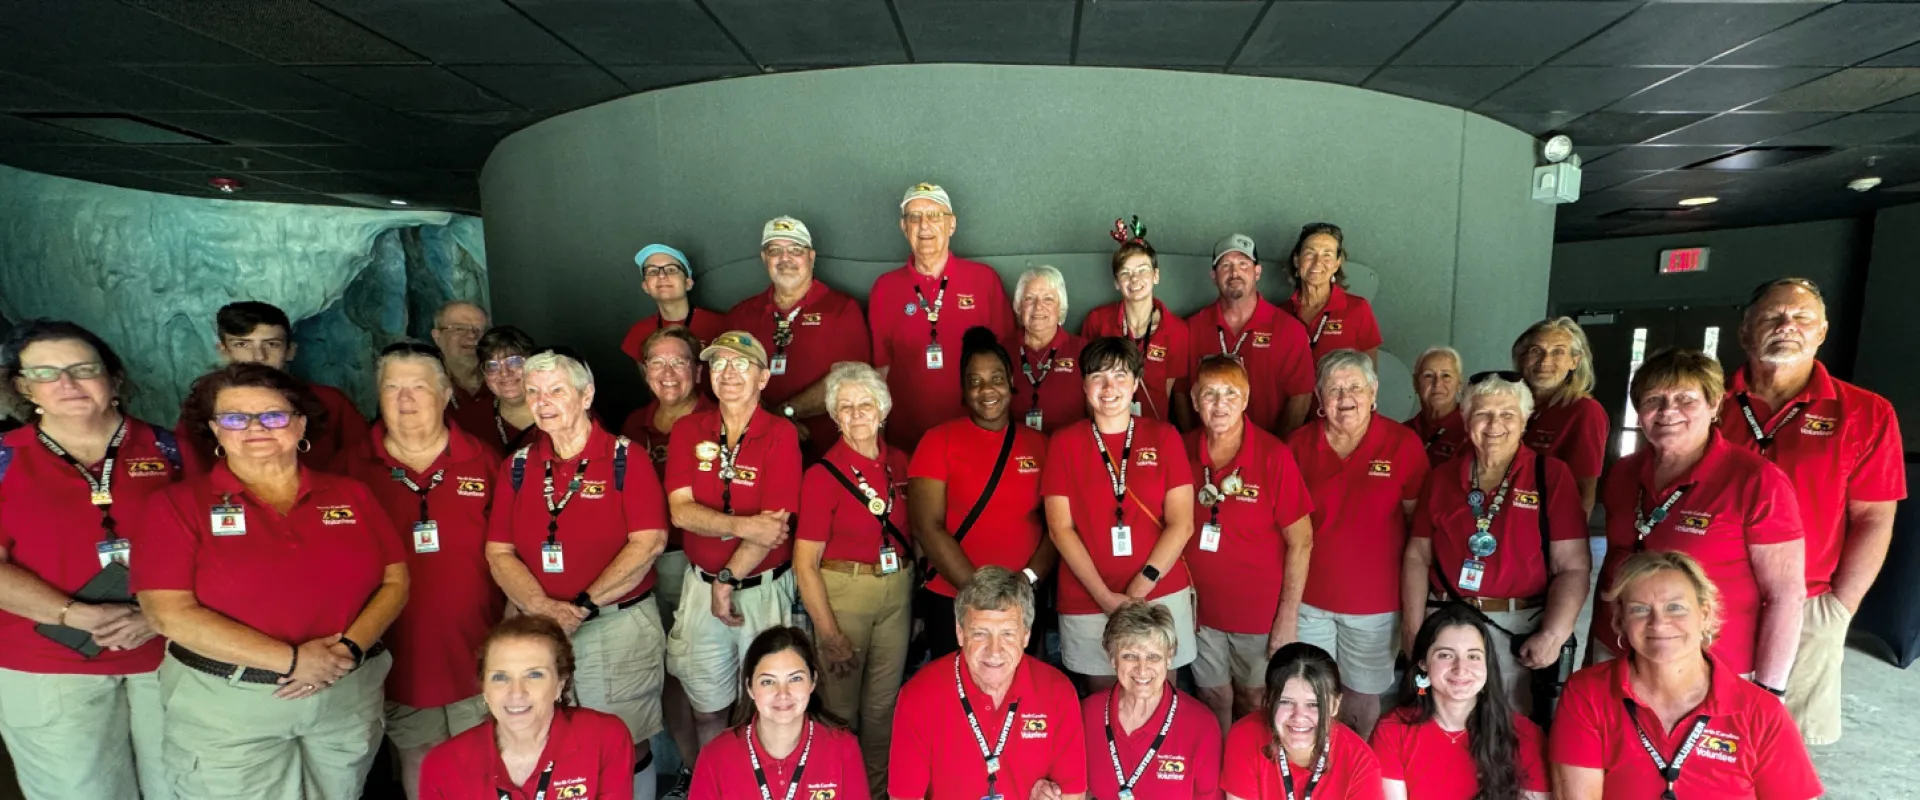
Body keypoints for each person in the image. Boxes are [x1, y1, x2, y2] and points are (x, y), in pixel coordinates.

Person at [131, 363, 408, 800]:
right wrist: (293, 661)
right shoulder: (176, 505)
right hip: (231, 706)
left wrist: (348, 649)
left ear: (299, 426)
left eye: (273, 416)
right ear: (215, 431)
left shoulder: (351, 494)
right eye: (236, 418)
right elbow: (167, 613)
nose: (256, 427)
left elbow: (395, 580)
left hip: (344, 694)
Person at [1720, 277, 1905, 744]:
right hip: (1710, 601)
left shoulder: (1866, 412)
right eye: (1772, 316)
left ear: (1822, 333)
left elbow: (1874, 519)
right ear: (1745, 331)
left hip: (1808, 604)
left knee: (1784, 746)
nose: (1788, 326)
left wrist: (1840, 607)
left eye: (1802, 318)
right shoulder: (1706, 401)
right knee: (1703, 736)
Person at [0, 320, 179, 800]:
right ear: (22, 386)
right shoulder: (4, 459)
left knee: (185, 786)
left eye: (83, 368)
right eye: (45, 372)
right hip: (47, 663)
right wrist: (77, 615)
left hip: (168, 652)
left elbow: (220, 550)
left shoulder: (173, 451)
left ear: (114, 378)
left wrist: (156, 616)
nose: (67, 383)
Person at [484, 350, 671, 799]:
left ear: (586, 395)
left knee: (625, 738)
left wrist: (583, 605)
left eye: (555, 391)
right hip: (537, 627)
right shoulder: (520, 465)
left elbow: (649, 543)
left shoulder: (627, 458)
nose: (542, 402)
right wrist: (543, 608)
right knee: (545, 735)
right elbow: (499, 551)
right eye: (533, 392)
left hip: (616, 623)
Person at [335, 342, 505, 798]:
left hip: (478, 643)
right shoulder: (351, 469)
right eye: (392, 388)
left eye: (418, 387)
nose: (405, 400)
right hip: (398, 650)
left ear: (446, 392)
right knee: (420, 756)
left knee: (486, 754)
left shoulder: (485, 460)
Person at [1593, 349, 1805, 693]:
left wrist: (1770, 691)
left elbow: (1785, 596)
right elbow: (1612, 567)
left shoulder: (1757, 480)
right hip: (1619, 650)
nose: (1668, 411)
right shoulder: (1624, 473)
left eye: (1685, 399)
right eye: (1653, 400)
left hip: (1713, 663)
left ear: (1714, 406)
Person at [1550, 551, 1822, 800]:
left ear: (1704, 615)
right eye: (1640, 609)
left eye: (1675, 607)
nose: (1658, 623)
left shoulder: (1760, 712)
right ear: (1620, 621)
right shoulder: (1588, 693)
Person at [1403, 371, 1590, 715]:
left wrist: (1553, 634)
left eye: (1507, 414)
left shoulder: (1551, 476)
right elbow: (1417, 556)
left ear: (1524, 421)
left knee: (1512, 730)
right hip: (1447, 621)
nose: (1494, 425)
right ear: (1465, 418)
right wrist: (1414, 630)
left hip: (1516, 630)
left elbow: (1573, 567)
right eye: (1483, 414)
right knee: (1443, 721)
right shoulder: (1443, 477)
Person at [663, 331, 802, 750]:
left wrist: (726, 580)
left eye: (741, 364)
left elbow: (773, 527)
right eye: (719, 364)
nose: (729, 373)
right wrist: (745, 525)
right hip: (698, 586)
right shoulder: (689, 429)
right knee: (708, 708)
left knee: (769, 707)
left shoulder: (780, 434)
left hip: (762, 591)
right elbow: (680, 512)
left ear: (762, 378)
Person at [1287, 349, 1429, 738]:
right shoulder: (1297, 447)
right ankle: (1317, 765)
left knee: (1363, 694)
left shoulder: (1402, 445)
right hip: (1310, 602)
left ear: (1373, 391)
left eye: (1354, 387)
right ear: (1319, 396)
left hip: (1376, 605)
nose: (1344, 397)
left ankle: (1356, 764)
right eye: (1333, 389)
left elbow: (1419, 525)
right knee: (1311, 692)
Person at [1046, 337, 1198, 687]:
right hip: (1087, 599)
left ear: (1136, 384)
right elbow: (1060, 529)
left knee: (1161, 698)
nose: (1109, 387)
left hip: (1159, 594)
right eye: (1098, 376)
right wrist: (1104, 597)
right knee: (1102, 705)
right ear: (1084, 386)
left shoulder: (1164, 436)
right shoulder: (1064, 443)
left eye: (1120, 375)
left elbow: (1182, 523)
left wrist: (1137, 592)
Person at [792, 362, 912, 790]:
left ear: (882, 410)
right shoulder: (822, 475)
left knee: (883, 708)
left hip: (896, 590)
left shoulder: (900, 463)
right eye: (846, 407)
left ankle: (876, 792)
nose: (857, 414)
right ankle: (838, 789)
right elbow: (804, 563)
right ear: (834, 416)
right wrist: (828, 633)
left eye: (866, 405)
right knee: (840, 709)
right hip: (844, 594)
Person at [1184, 354, 1315, 729]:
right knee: (1212, 697)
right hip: (1200, 612)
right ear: (1194, 400)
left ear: (1245, 399)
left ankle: (1251, 777)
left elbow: (1302, 541)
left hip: (1258, 615)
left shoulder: (1273, 456)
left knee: (1254, 698)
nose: (1219, 404)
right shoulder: (1180, 448)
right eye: (1209, 394)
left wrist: (1287, 617)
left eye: (1230, 393)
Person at [908, 326, 1055, 657]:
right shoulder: (937, 441)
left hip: (1022, 599)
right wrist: (979, 594)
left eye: (996, 378)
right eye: (974, 381)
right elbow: (927, 527)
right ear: (963, 391)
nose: (986, 389)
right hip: (954, 598)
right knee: (956, 693)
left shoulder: (1041, 445)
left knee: (1018, 694)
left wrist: (1028, 580)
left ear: (1011, 384)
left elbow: (1055, 527)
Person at [890, 565, 1088, 799]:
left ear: (1026, 635)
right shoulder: (919, 694)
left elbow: (1072, 792)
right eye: (980, 633)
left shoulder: (1057, 691)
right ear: (960, 633)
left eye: (1007, 634)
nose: (994, 651)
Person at [617, 325, 711, 789]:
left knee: (713, 674)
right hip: (648, 565)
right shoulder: (633, 425)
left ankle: (721, 772)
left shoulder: (721, 417)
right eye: (658, 363)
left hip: (705, 564)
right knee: (669, 670)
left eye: (679, 362)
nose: (669, 373)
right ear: (644, 371)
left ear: (697, 370)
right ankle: (692, 768)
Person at [418, 615, 638, 800]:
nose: (516, 692)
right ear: (484, 687)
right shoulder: (442, 766)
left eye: (534, 675)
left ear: (560, 683)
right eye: (500, 677)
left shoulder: (605, 737)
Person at [868, 182, 1015, 451]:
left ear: (952, 225)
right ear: (904, 227)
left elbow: (1007, 361)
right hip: (909, 441)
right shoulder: (884, 288)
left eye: (935, 215)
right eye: (915, 217)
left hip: (977, 437)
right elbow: (881, 371)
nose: (924, 225)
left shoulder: (984, 280)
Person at [722, 216, 872, 460]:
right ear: (764, 258)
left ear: (811, 257)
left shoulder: (842, 309)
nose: (785, 259)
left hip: (826, 452)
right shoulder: (741, 315)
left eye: (795, 250)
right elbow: (726, 380)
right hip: (755, 450)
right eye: (775, 251)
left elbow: (850, 379)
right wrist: (772, 422)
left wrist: (785, 414)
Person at [1373, 604, 1549, 800]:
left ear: (1487, 665)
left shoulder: (1526, 735)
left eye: (1473, 656)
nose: (1461, 668)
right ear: (1423, 663)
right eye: (1445, 655)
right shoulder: (1392, 730)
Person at [183, 301, 371, 472]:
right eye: (242, 344)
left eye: (272, 344)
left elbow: (364, 464)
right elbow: (190, 474)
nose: (258, 356)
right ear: (223, 351)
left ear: (290, 351)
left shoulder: (330, 402)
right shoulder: (203, 405)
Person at [688, 626, 870, 800]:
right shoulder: (715, 756)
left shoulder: (843, 748)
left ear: (812, 682)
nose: (783, 693)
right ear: (750, 687)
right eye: (768, 682)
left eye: (795, 678)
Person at [1080, 601, 1223, 799]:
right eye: (1130, 656)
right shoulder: (1088, 713)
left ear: (1169, 657)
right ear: (1112, 659)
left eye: (1153, 657)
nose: (1142, 668)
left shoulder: (1201, 724)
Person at [1187, 234, 1316, 436]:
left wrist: (1276, 451)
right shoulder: (1193, 328)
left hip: (1268, 456)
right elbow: (1180, 393)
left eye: (1243, 264)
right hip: (1207, 455)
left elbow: (1301, 396)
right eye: (1225, 265)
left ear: (1257, 272)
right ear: (1213, 275)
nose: (1235, 272)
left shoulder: (1289, 329)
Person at [1221, 643, 1386, 800]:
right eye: (1285, 702)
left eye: (1314, 704)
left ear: (1335, 705)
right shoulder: (1245, 737)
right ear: (1269, 701)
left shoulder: (1360, 763)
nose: (1299, 716)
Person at [1082, 219, 1192, 424]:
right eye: (1126, 273)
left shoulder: (1177, 330)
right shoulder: (1097, 321)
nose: (1134, 279)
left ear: (1156, 276)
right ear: (1116, 282)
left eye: (1142, 270)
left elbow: (1176, 394)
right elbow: (1088, 382)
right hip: (1107, 430)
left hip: (1153, 432)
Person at [1511, 318, 1607, 513]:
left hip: (1547, 523)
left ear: (1575, 361)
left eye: (1558, 352)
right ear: (1522, 358)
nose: (1545, 361)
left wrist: (1571, 541)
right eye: (1536, 350)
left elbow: (1584, 489)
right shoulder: (1511, 403)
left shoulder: (1584, 410)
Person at [1280, 223, 1383, 362]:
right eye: (1310, 253)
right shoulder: (1279, 314)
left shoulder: (1358, 308)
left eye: (1327, 255)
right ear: (1297, 260)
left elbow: (1370, 375)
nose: (1317, 262)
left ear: (1336, 264)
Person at [1006, 265, 1088, 434]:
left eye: (1048, 299)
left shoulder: (1084, 351)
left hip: (1067, 451)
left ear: (1060, 308)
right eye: (1029, 298)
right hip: (1016, 450)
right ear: (1019, 307)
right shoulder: (1001, 352)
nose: (1038, 306)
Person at [620, 243, 725, 364]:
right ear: (645, 286)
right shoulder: (639, 333)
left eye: (671, 269)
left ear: (688, 283)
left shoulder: (721, 325)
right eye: (652, 271)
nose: (662, 276)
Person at [430, 301, 496, 443]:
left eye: (480, 329)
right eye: (459, 328)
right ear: (437, 337)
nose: (472, 335)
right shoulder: (423, 385)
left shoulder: (509, 380)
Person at [474, 325, 539, 453]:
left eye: (514, 361)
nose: (504, 373)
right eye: (492, 365)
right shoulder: (471, 420)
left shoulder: (561, 411)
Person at [1406, 346, 1468, 467]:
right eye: (1428, 375)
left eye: (1446, 375)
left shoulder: (1471, 431)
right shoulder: (1402, 432)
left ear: (1459, 383)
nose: (1437, 383)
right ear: (1415, 383)